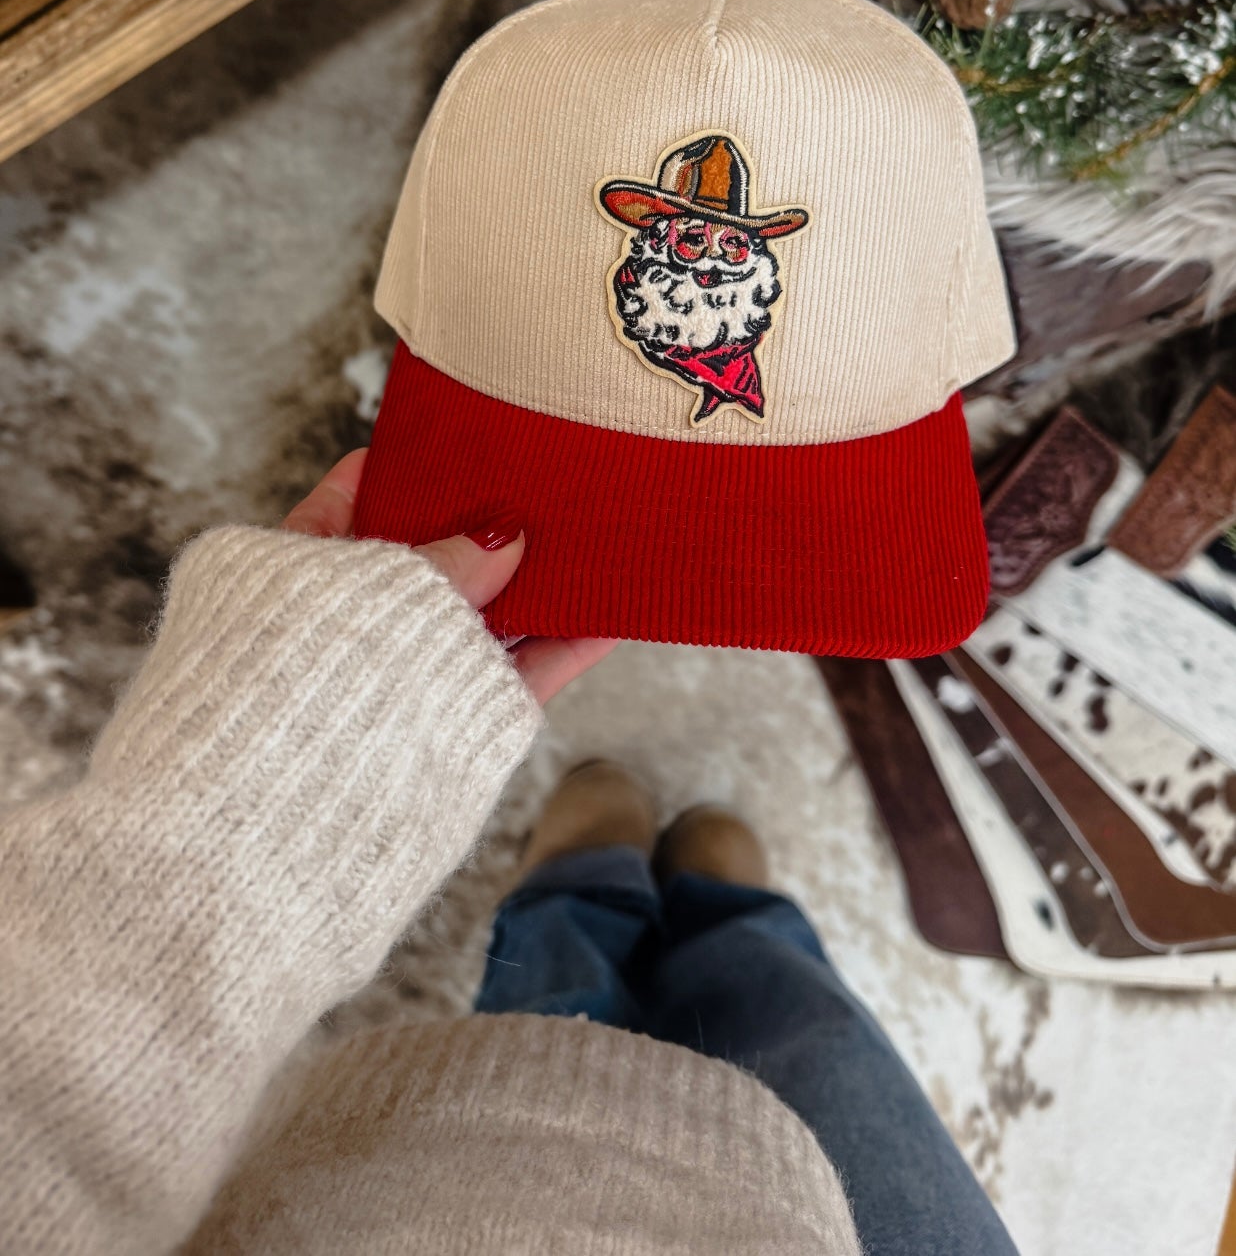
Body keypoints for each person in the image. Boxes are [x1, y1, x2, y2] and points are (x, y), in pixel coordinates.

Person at [0, 451, 1018, 1255]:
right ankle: (727, 917)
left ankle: (588, 884)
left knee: (553, 997)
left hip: (408, 1196)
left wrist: (241, 803)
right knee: (806, 1020)